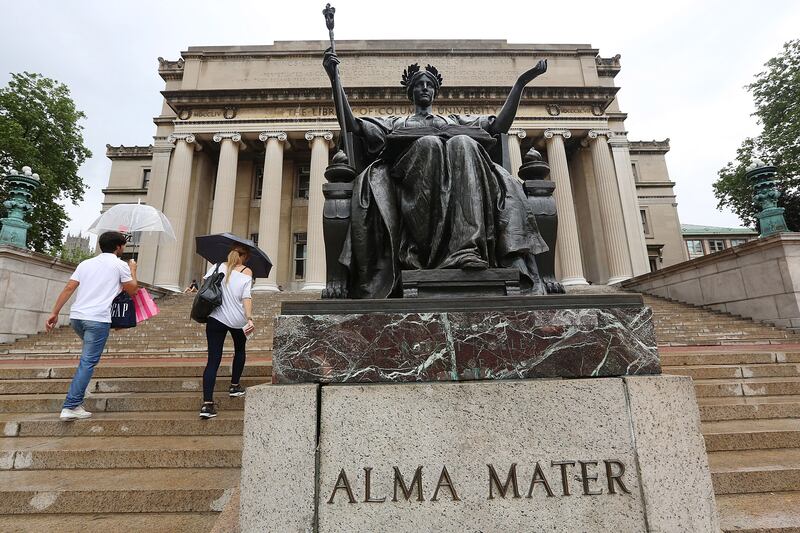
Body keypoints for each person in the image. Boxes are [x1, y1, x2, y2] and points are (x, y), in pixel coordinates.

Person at [323, 50, 550, 298]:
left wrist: (520, 83)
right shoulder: (396, 123)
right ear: (410, 93)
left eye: (429, 85)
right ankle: (420, 254)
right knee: (428, 144)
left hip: (458, 182)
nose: (424, 88)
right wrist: (334, 78)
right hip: (409, 181)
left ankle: (467, 249)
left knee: (463, 142)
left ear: (435, 91)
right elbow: (352, 125)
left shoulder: (452, 120)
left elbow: (498, 126)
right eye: (418, 85)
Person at [45, 231, 138, 421]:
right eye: (123, 246)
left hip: (78, 318)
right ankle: (71, 405)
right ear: (119, 247)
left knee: (87, 358)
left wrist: (54, 312)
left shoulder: (85, 263)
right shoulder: (120, 265)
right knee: (87, 362)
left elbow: (69, 287)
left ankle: (78, 393)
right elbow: (133, 290)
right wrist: (133, 269)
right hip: (97, 319)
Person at [199, 245, 254, 419]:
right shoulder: (246, 271)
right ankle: (234, 386)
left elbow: (204, 285)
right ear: (243, 257)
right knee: (239, 350)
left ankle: (207, 404)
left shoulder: (216, 267)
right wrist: (250, 317)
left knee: (213, 360)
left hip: (215, 318)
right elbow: (246, 298)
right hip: (238, 320)